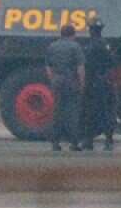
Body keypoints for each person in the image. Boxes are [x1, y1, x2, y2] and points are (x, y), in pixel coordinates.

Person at [45, 24, 85, 152]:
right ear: (73, 34)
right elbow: (80, 68)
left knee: (57, 111)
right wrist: (82, 83)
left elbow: (48, 67)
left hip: (57, 80)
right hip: (71, 81)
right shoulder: (75, 46)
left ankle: (55, 143)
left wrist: (53, 80)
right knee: (72, 112)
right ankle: (74, 143)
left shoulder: (52, 46)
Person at [83, 19, 116, 150]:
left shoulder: (91, 46)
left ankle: (89, 141)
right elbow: (112, 62)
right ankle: (108, 141)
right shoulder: (105, 44)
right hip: (105, 81)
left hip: (93, 82)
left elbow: (87, 64)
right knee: (107, 112)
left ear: (91, 30)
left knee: (91, 112)